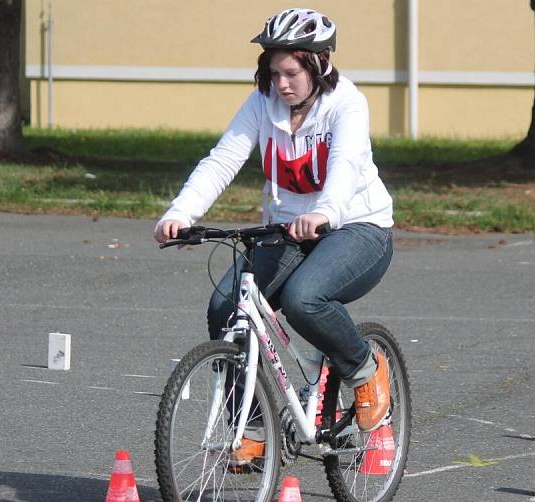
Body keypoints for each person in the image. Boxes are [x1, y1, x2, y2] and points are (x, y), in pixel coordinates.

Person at [154, 8, 393, 465]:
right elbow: (223, 160)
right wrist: (181, 213)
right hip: (287, 231)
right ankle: (252, 427)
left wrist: (325, 210)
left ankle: (365, 368)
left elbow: (343, 166)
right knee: (226, 306)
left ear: (319, 65)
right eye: (273, 72)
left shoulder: (347, 103)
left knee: (306, 299)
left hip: (357, 227)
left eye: (291, 73)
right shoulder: (262, 102)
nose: (281, 84)